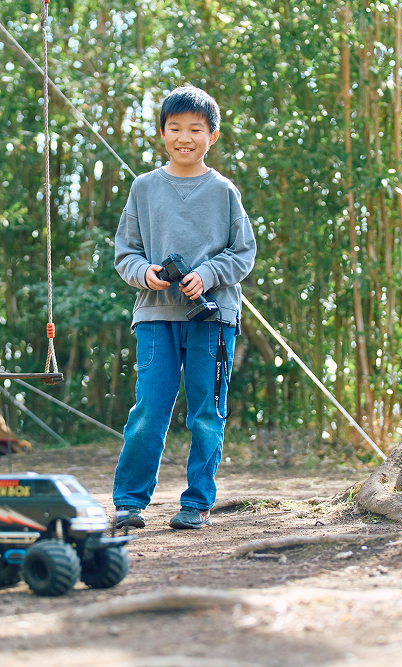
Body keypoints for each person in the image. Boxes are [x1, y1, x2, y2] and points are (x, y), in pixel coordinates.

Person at [112, 85, 257, 530]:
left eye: (195, 129)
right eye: (175, 128)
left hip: (212, 318)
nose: (184, 137)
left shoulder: (224, 190)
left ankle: (197, 503)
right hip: (156, 315)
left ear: (212, 135)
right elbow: (125, 253)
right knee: (148, 412)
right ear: (162, 133)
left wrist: (208, 274)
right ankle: (129, 504)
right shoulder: (144, 187)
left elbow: (244, 252)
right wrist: (145, 273)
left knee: (206, 413)